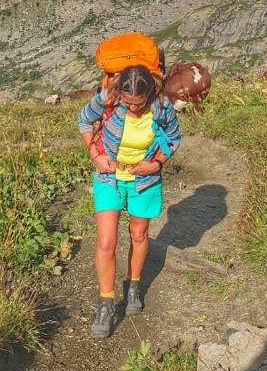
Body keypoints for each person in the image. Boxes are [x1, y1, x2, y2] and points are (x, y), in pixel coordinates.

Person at [77, 64, 182, 339]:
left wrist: (156, 164)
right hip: (109, 177)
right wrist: (95, 156)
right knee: (106, 241)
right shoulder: (107, 99)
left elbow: (174, 137)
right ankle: (106, 304)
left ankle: (133, 286)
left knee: (139, 233)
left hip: (144, 180)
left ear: (150, 93)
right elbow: (84, 121)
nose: (133, 108)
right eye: (128, 102)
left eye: (139, 103)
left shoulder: (161, 106)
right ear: (119, 93)